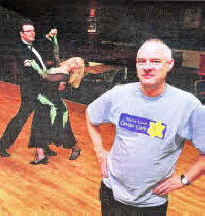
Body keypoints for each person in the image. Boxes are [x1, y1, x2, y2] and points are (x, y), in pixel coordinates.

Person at [86, 38, 205, 215]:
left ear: (169, 64)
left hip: (150, 203)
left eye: (156, 61)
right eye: (142, 61)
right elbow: (90, 115)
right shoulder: (119, 94)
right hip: (111, 191)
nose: (147, 67)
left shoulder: (188, 105)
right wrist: (99, 150)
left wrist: (184, 180)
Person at [0, 19, 61, 158]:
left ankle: (42, 147)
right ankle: (2, 144)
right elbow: (34, 71)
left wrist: (50, 35)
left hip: (42, 87)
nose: (32, 33)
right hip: (31, 90)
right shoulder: (20, 50)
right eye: (28, 31)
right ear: (22, 34)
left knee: (43, 117)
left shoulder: (33, 45)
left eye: (33, 30)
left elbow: (42, 41)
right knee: (22, 117)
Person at [24, 33, 83, 164]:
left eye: (76, 64)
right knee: (39, 127)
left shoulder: (64, 75)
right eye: (74, 60)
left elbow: (46, 77)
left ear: (76, 69)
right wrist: (55, 38)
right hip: (44, 100)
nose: (73, 63)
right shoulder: (60, 66)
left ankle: (76, 148)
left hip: (54, 106)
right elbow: (56, 53)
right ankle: (41, 155)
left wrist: (34, 65)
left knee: (62, 131)